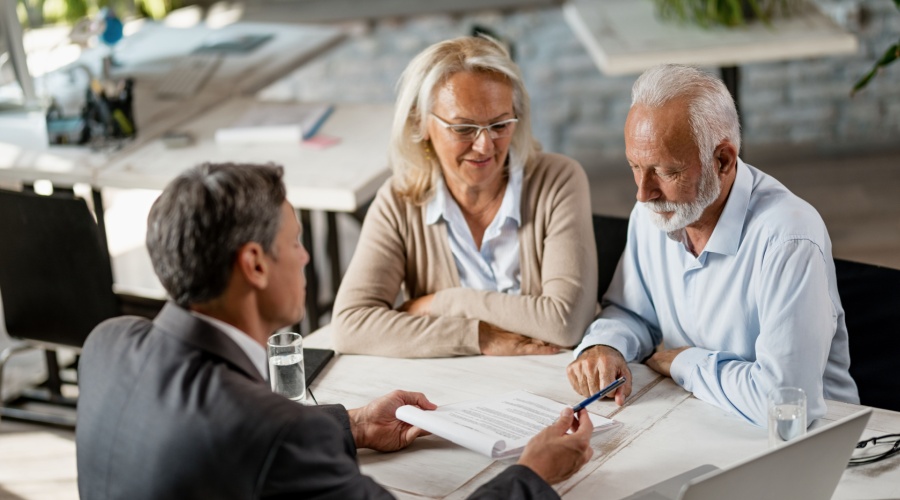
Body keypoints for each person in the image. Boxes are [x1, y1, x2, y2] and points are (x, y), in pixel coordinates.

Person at [75, 162, 595, 499]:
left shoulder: (107, 345)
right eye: (295, 242)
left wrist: (354, 424)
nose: (305, 257)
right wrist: (532, 475)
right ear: (254, 265)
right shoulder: (276, 433)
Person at [566, 64, 859, 427]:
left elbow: (786, 406)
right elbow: (632, 312)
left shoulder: (789, 237)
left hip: (817, 446)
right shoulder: (653, 213)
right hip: (703, 419)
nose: (643, 192)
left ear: (723, 160)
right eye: (635, 166)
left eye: (666, 171)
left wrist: (684, 362)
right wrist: (606, 346)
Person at [332, 36, 598, 358]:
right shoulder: (399, 201)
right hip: (450, 390)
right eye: (463, 129)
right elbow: (350, 326)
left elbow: (565, 323)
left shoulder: (558, 180)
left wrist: (445, 302)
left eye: (500, 124)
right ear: (421, 123)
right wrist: (478, 336)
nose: (485, 145)